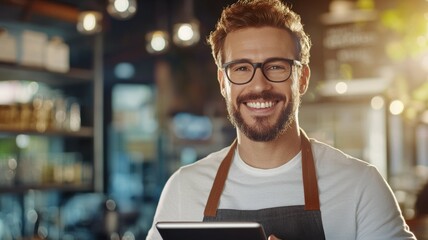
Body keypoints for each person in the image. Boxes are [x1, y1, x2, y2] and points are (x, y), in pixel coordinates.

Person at [146, 0, 416, 239]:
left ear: (302, 79)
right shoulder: (185, 188)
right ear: (222, 82)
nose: (259, 85)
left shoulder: (360, 186)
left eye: (276, 67)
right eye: (241, 68)